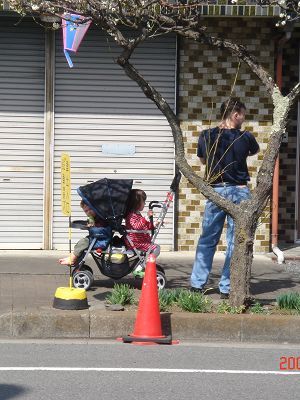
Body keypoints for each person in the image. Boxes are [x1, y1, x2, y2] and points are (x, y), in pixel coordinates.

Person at [190, 98, 260, 299]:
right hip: (239, 192)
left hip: (215, 191)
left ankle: (197, 284)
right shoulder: (246, 137)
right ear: (235, 114)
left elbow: (203, 160)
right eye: (243, 115)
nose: (244, 119)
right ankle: (227, 287)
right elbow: (253, 151)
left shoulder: (206, 135)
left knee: (207, 239)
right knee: (234, 242)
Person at [58, 200, 110, 265]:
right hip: (97, 237)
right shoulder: (93, 217)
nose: (89, 212)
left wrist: (92, 226)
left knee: (83, 242)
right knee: (81, 243)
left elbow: (100, 226)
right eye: (86, 211)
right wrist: (89, 225)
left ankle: (72, 259)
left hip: (101, 240)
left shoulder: (101, 217)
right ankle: (73, 257)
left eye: (90, 209)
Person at [125, 189, 160, 277]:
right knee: (156, 248)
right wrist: (146, 217)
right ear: (136, 203)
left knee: (154, 247)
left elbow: (143, 226)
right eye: (143, 201)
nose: (144, 204)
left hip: (139, 241)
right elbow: (136, 226)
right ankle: (140, 267)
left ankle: (144, 264)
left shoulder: (137, 214)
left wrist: (153, 224)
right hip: (135, 242)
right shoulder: (131, 215)